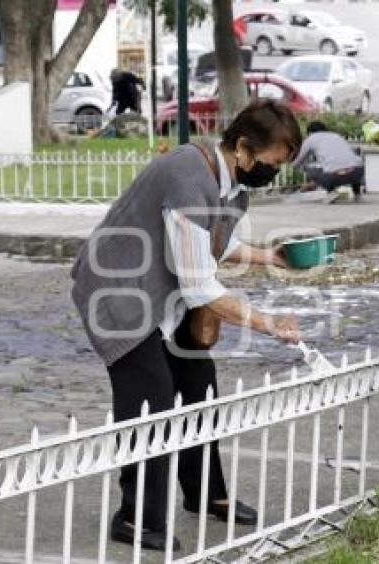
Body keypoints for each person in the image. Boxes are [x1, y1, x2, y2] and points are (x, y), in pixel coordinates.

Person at [71, 100, 304, 551]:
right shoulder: (186, 176)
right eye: (271, 163)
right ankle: (136, 518)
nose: (271, 173)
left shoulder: (230, 185)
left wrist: (269, 257)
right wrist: (267, 322)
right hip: (118, 293)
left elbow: (219, 239)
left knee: (199, 383)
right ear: (242, 147)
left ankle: (205, 494)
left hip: (164, 294)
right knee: (152, 400)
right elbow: (199, 286)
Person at [293, 121, 365, 203]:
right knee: (351, 164)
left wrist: (293, 165)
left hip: (334, 176)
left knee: (307, 167)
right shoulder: (336, 136)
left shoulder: (310, 139)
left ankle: (331, 192)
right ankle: (357, 195)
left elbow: (299, 160)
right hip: (357, 172)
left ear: (309, 132)